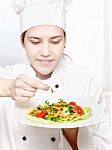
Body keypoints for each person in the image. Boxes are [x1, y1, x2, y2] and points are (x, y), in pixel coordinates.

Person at [0, 0, 112, 150]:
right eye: (35, 42)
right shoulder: (8, 75)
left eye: (55, 41)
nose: (45, 52)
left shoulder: (87, 83)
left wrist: (73, 132)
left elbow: (107, 145)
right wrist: (8, 88)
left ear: (65, 40)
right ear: (22, 41)